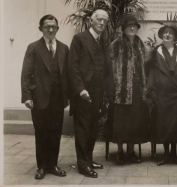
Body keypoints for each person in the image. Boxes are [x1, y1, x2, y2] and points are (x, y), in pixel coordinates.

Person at [21, 14, 69, 179]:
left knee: (55, 132)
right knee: (41, 132)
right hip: (39, 97)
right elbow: (26, 73)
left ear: (57, 28)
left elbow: (67, 75)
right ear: (40, 28)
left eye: (53, 27)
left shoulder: (64, 48)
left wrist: (67, 97)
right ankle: (41, 166)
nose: (50, 29)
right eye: (47, 26)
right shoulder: (33, 48)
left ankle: (53, 165)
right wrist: (27, 95)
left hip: (58, 98)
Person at [68, 9, 112, 178]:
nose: (102, 23)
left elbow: (105, 68)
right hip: (83, 93)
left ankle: (89, 158)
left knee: (93, 128)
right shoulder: (79, 39)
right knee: (82, 129)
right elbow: (73, 67)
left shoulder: (102, 41)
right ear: (91, 21)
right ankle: (83, 164)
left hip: (97, 93)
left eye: (105, 21)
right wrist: (80, 89)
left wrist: (107, 92)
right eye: (99, 20)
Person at [145, 24, 177, 166]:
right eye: (165, 33)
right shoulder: (155, 54)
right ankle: (166, 154)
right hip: (162, 96)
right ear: (161, 36)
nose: (167, 35)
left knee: (176, 125)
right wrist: (151, 93)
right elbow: (150, 75)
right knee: (164, 125)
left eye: (170, 33)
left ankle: (174, 154)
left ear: (174, 36)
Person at [109, 15, 149, 165]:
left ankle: (131, 151)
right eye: (129, 26)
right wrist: (113, 88)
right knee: (122, 122)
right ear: (124, 29)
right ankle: (120, 152)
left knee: (134, 122)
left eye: (135, 26)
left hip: (137, 89)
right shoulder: (116, 45)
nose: (132, 28)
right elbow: (111, 68)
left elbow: (144, 65)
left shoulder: (140, 43)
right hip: (122, 90)